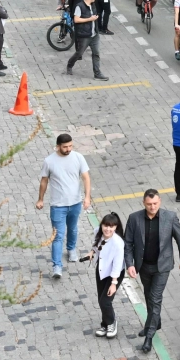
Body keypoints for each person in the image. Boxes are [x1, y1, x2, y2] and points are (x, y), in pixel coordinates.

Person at [123, 190, 180, 353]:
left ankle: (149, 335)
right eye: (149, 204)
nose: (152, 207)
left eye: (155, 203)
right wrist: (130, 264)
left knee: (155, 298)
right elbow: (128, 243)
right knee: (149, 296)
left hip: (162, 266)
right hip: (144, 266)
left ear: (159, 202)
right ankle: (155, 322)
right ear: (143, 203)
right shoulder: (134, 218)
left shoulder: (170, 217)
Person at [36, 133, 92, 279]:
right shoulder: (49, 161)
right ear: (58, 146)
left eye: (70, 146)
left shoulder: (78, 157)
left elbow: (86, 177)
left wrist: (86, 197)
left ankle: (71, 248)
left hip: (75, 203)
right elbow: (44, 181)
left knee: (73, 228)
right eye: (65, 147)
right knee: (57, 236)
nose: (68, 149)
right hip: (58, 205)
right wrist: (40, 199)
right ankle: (57, 266)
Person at [92, 212, 125, 338]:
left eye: (111, 227)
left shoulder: (118, 243)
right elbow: (97, 245)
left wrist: (114, 283)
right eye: (106, 226)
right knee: (101, 299)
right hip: (101, 269)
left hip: (114, 274)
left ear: (115, 227)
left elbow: (117, 264)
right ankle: (105, 324)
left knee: (105, 301)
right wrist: (91, 252)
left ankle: (111, 323)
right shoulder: (98, 232)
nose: (108, 229)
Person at [66, 0, 106, 80]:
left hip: (94, 34)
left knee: (96, 53)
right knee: (79, 53)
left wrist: (95, 18)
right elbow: (76, 20)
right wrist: (90, 19)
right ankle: (70, 64)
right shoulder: (79, 6)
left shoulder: (93, 5)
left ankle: (97, 73)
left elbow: (93, 16)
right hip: (84, 35)